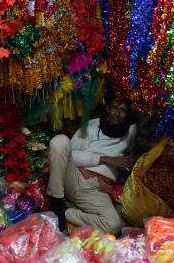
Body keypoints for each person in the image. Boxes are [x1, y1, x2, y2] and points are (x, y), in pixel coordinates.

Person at [47, 97, 136, 233]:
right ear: (107, 109)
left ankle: (66, 213)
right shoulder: (91, 125)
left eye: (122, 110)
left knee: (113, 225)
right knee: (60, 142)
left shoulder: (130, 133)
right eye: (114, 108)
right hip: (74, 177)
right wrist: (105, 159)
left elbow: (129, 155)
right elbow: (72, 154)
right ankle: (57, 202)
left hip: (96, 189)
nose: (117, 113)